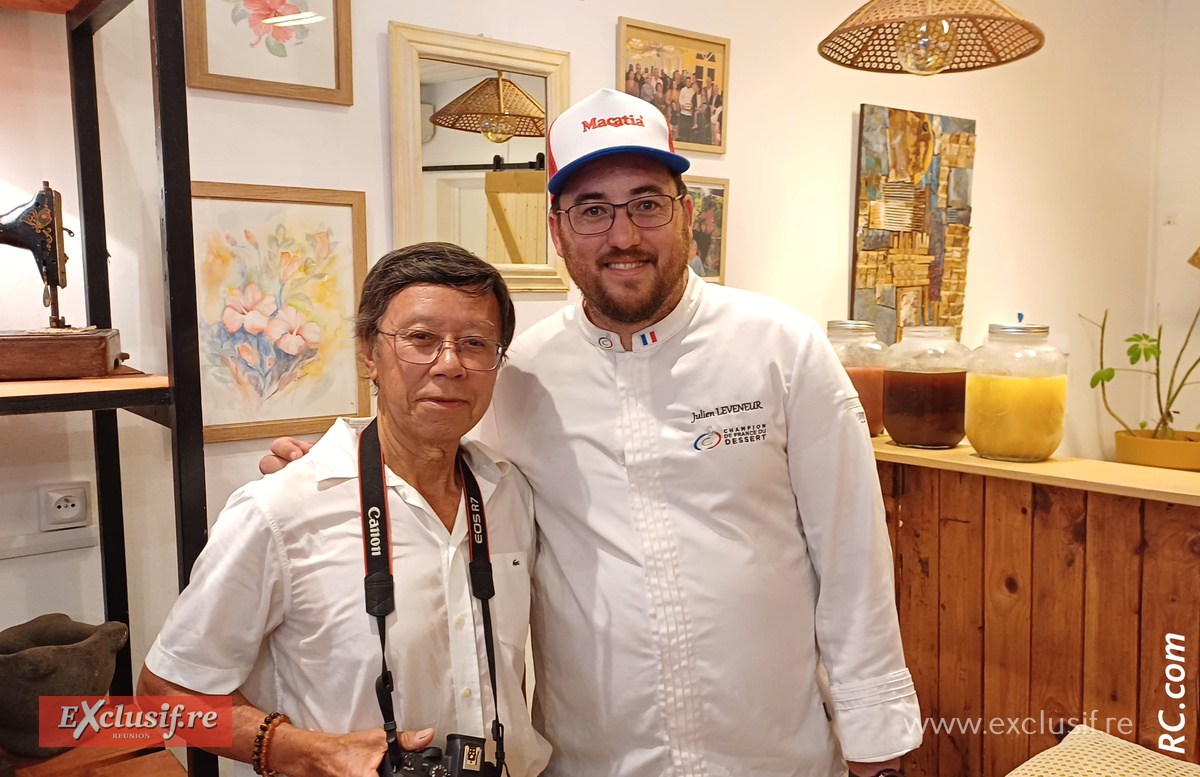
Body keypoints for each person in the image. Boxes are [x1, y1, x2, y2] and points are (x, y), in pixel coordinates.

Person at [266, 89, 921, 777]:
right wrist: (325, 473)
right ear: (557, 230)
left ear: (687, 215)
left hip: (774, 754)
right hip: (593, 759)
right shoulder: (521, 376)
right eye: (593, 210)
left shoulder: (782, 349)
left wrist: (875, 744)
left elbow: (852, 557)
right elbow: (427, 452)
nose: (624, 234)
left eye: (646, 202)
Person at [143, 244, 550, 777]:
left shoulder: (510, 493)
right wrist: (312, 753)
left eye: (475, 343)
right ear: (368, 352)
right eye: (420, 339)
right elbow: (164, 698)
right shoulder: (279, 510)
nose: (449, 365)